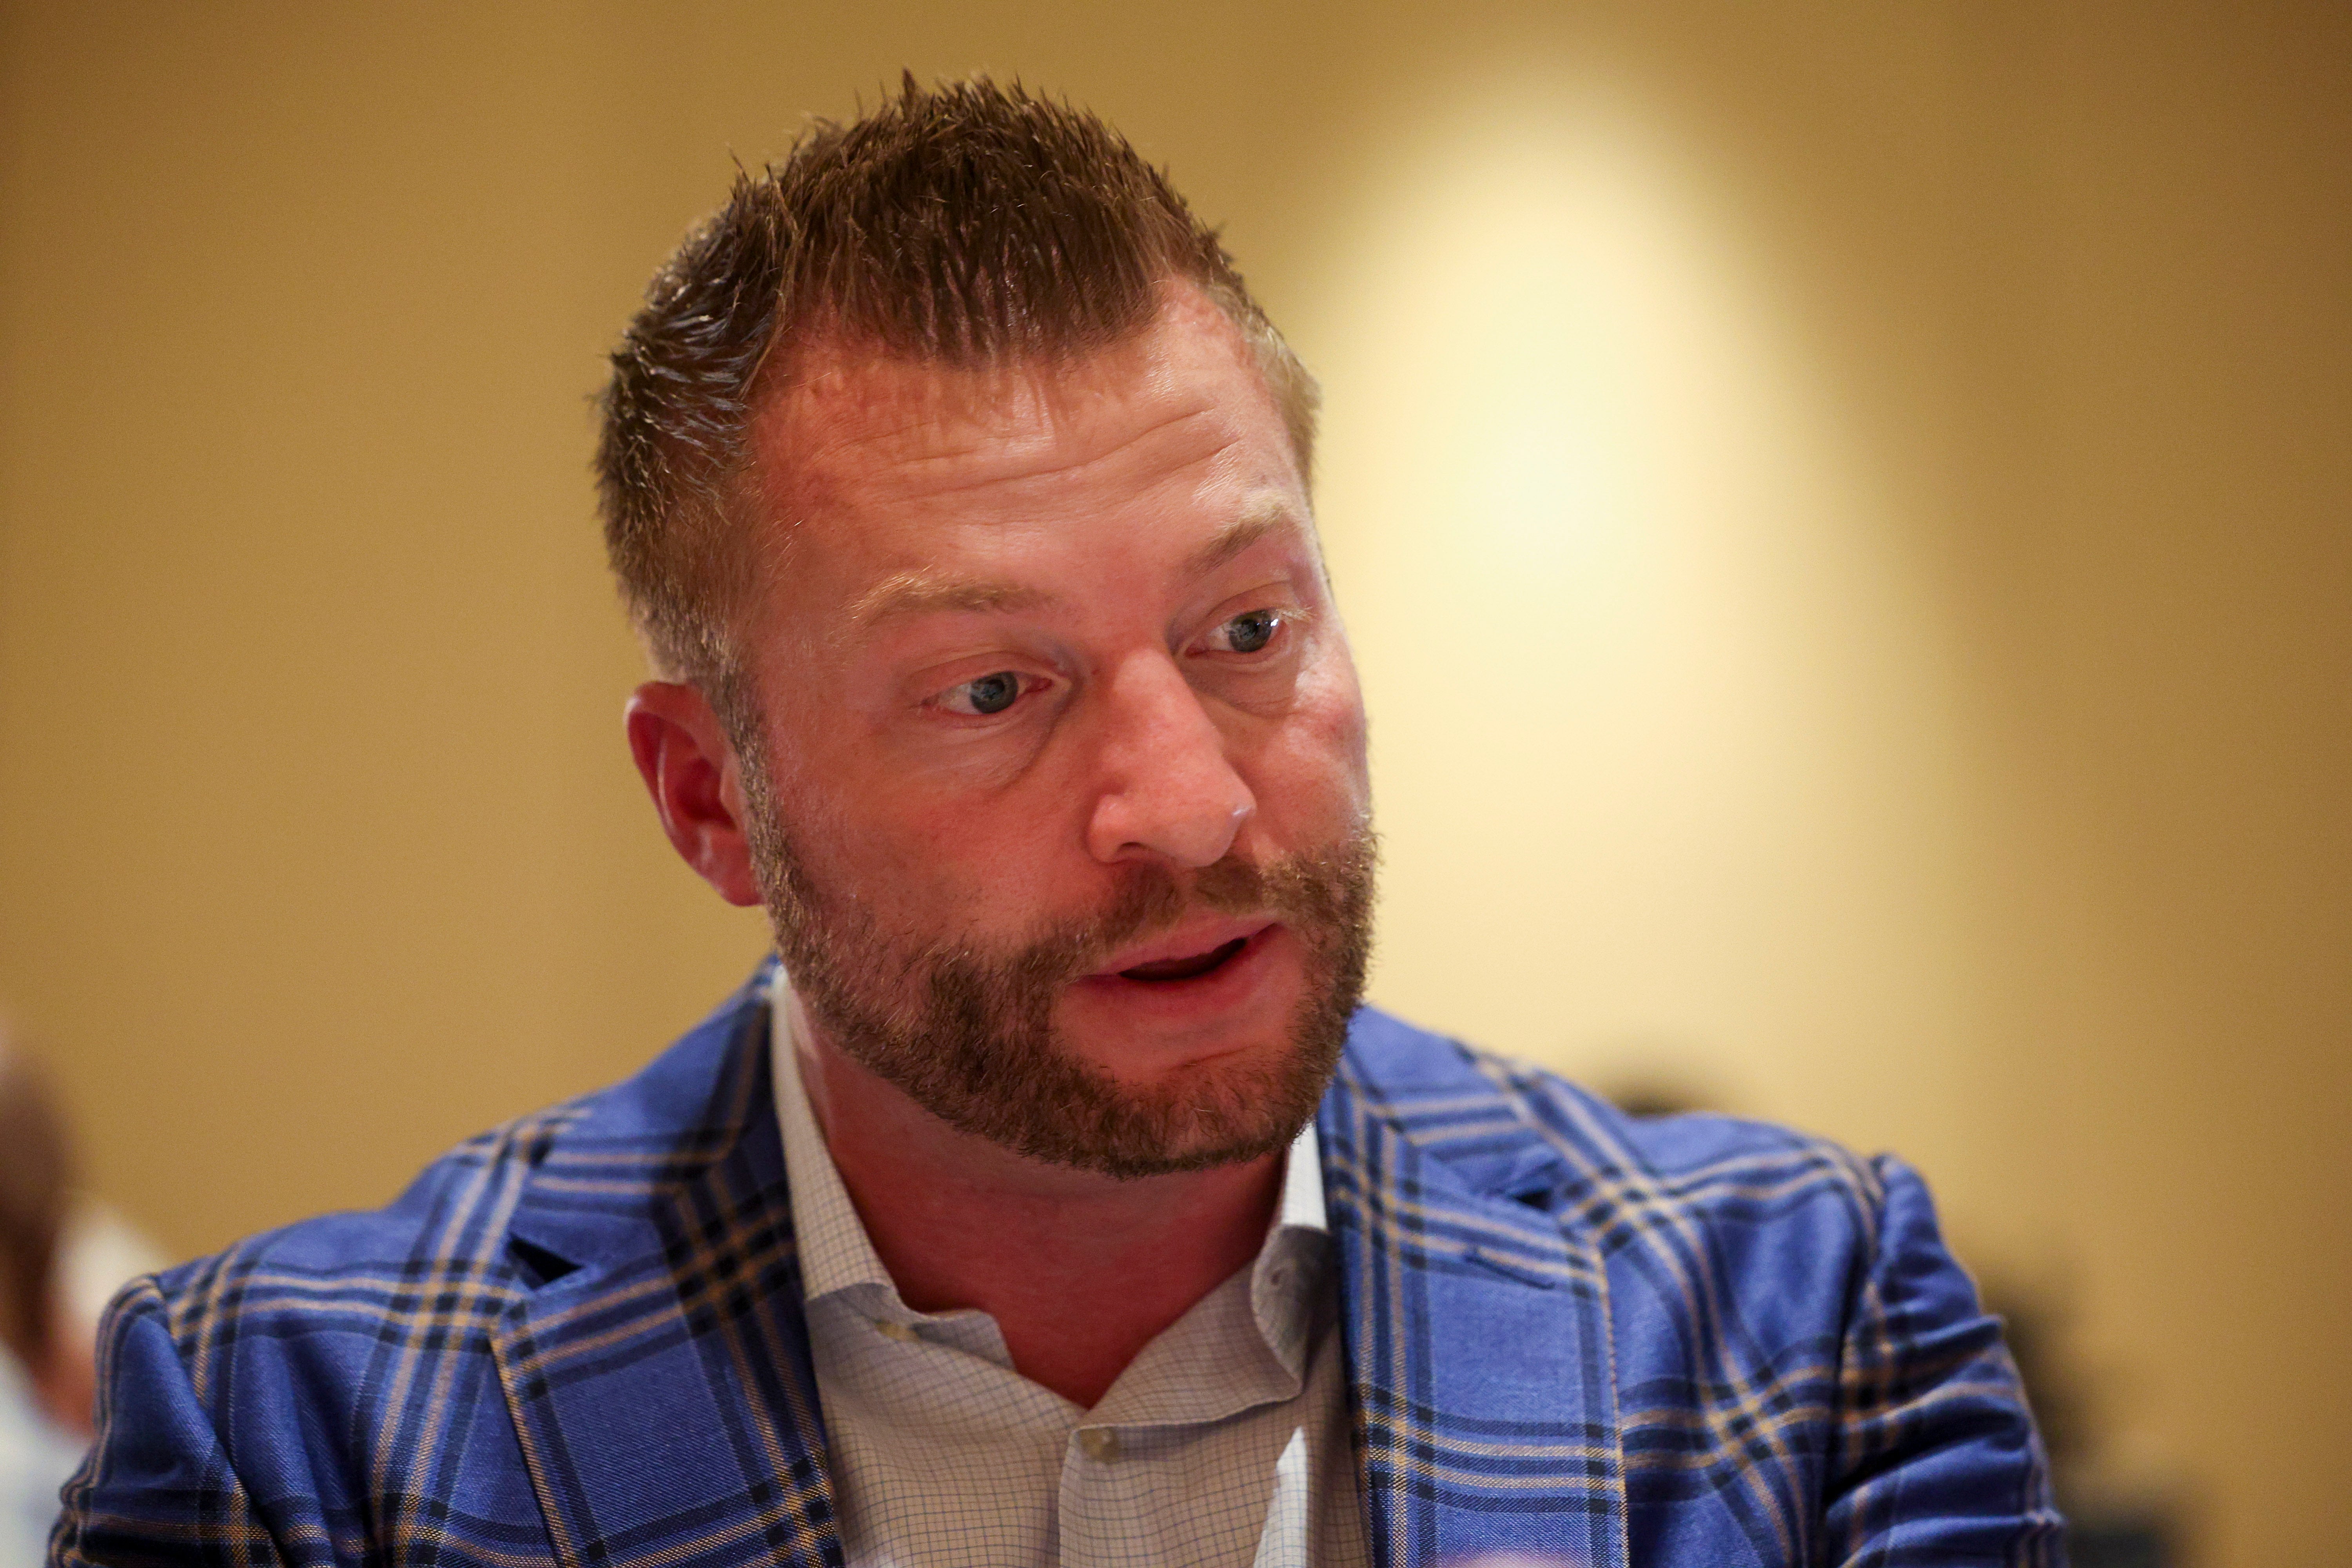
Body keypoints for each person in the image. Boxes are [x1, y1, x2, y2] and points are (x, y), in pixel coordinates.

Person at [55, 80, 2061, 1567]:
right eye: (995, 691)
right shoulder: (294, 1442)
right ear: (709, 801)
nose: (1188, 802)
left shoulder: (1807, 1345)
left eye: (1249, 627)